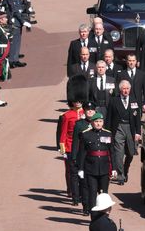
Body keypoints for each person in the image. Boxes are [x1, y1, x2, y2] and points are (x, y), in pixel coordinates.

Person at [77, 113, 116, 212]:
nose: (98, 124)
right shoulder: (86, 134)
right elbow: (82, 153)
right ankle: (93, 215)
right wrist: (80, 169)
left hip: (104, 168)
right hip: (90, 168)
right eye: (96, 122)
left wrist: (114, 168)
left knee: (104, 193)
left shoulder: (108, 134)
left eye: (100, 121)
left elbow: (112, 153)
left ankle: (105, 213)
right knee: (92, 192)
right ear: (92, 122)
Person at [106, 80, 141, 185]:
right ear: (120, 89)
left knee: (130, 152)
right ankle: (120, 176)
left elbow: (137, 119)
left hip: (130, 129)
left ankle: (125, 169)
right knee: (119, 153)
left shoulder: (134, 100)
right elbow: (109, 118)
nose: (126, 91)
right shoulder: (113, 101)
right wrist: (108, 132)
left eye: (127, 89)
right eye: (124, 89)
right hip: (118, 128)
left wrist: (138, 132)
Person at [59, 75, 87, 203]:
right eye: (76, 100)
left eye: (79, 100)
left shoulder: (86, 114)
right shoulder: (67, 116)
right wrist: (63, 149)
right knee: (70, 171)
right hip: (70, 147)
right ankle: (71, 189)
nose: (77, 102)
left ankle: (81, 192)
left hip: (83, 147)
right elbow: (63, 133)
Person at [71, 101, 96, 214]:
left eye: (92, 110)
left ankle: (93, 206)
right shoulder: (79, 124)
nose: (90, 111)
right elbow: (75, 142)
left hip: (96, 158)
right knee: (84, 184)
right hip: (83, 158)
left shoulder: (99, 123)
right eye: (88, 110)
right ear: (85, 111)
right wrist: (74, 157)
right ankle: (86, 206)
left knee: (94, 185)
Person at [7, 0, 31, 68]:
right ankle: (11, 60)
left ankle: (15, 59)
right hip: (15, 21)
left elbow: (19, 7)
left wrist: (25, 5)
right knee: (14, 42)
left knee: (17, 41)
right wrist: (23, 21)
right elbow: (15, 11)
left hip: (18, 20)